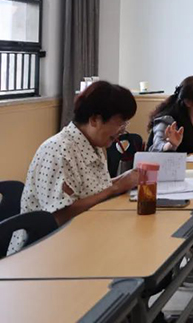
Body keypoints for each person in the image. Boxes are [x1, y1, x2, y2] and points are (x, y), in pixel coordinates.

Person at [7, 81, 139, 255]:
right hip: (42, 251)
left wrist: (122, 181)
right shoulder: (59, 151)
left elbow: (91, 191)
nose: (122, 131)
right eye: (120, 123)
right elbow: (59, 216)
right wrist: (114, 188)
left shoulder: (94, 145)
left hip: (84, 237)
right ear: (95, 120)